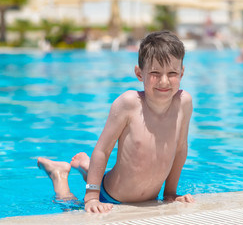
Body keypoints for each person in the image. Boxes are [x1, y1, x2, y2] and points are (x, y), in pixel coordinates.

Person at [37, 30, 195, 213]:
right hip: (112, 196)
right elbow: (103, 150)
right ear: (139, 73)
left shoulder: (184, 103)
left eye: (172, 73)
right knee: (68, 207)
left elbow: (181, 149)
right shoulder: (129, 104)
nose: (164, 81)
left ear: (182, 73)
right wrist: (92, 197)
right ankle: (59, 174)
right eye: (155, 72)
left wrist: (170, 193)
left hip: (149, 198)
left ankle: (85, 167)